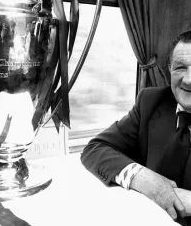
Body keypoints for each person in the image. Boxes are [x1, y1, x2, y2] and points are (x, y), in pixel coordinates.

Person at [81, 30, 191, 225]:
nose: (188, 80)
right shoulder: (151, 102)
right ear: (169, 70)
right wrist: (142, 178)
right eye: (180, 68)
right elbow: (95, 149)